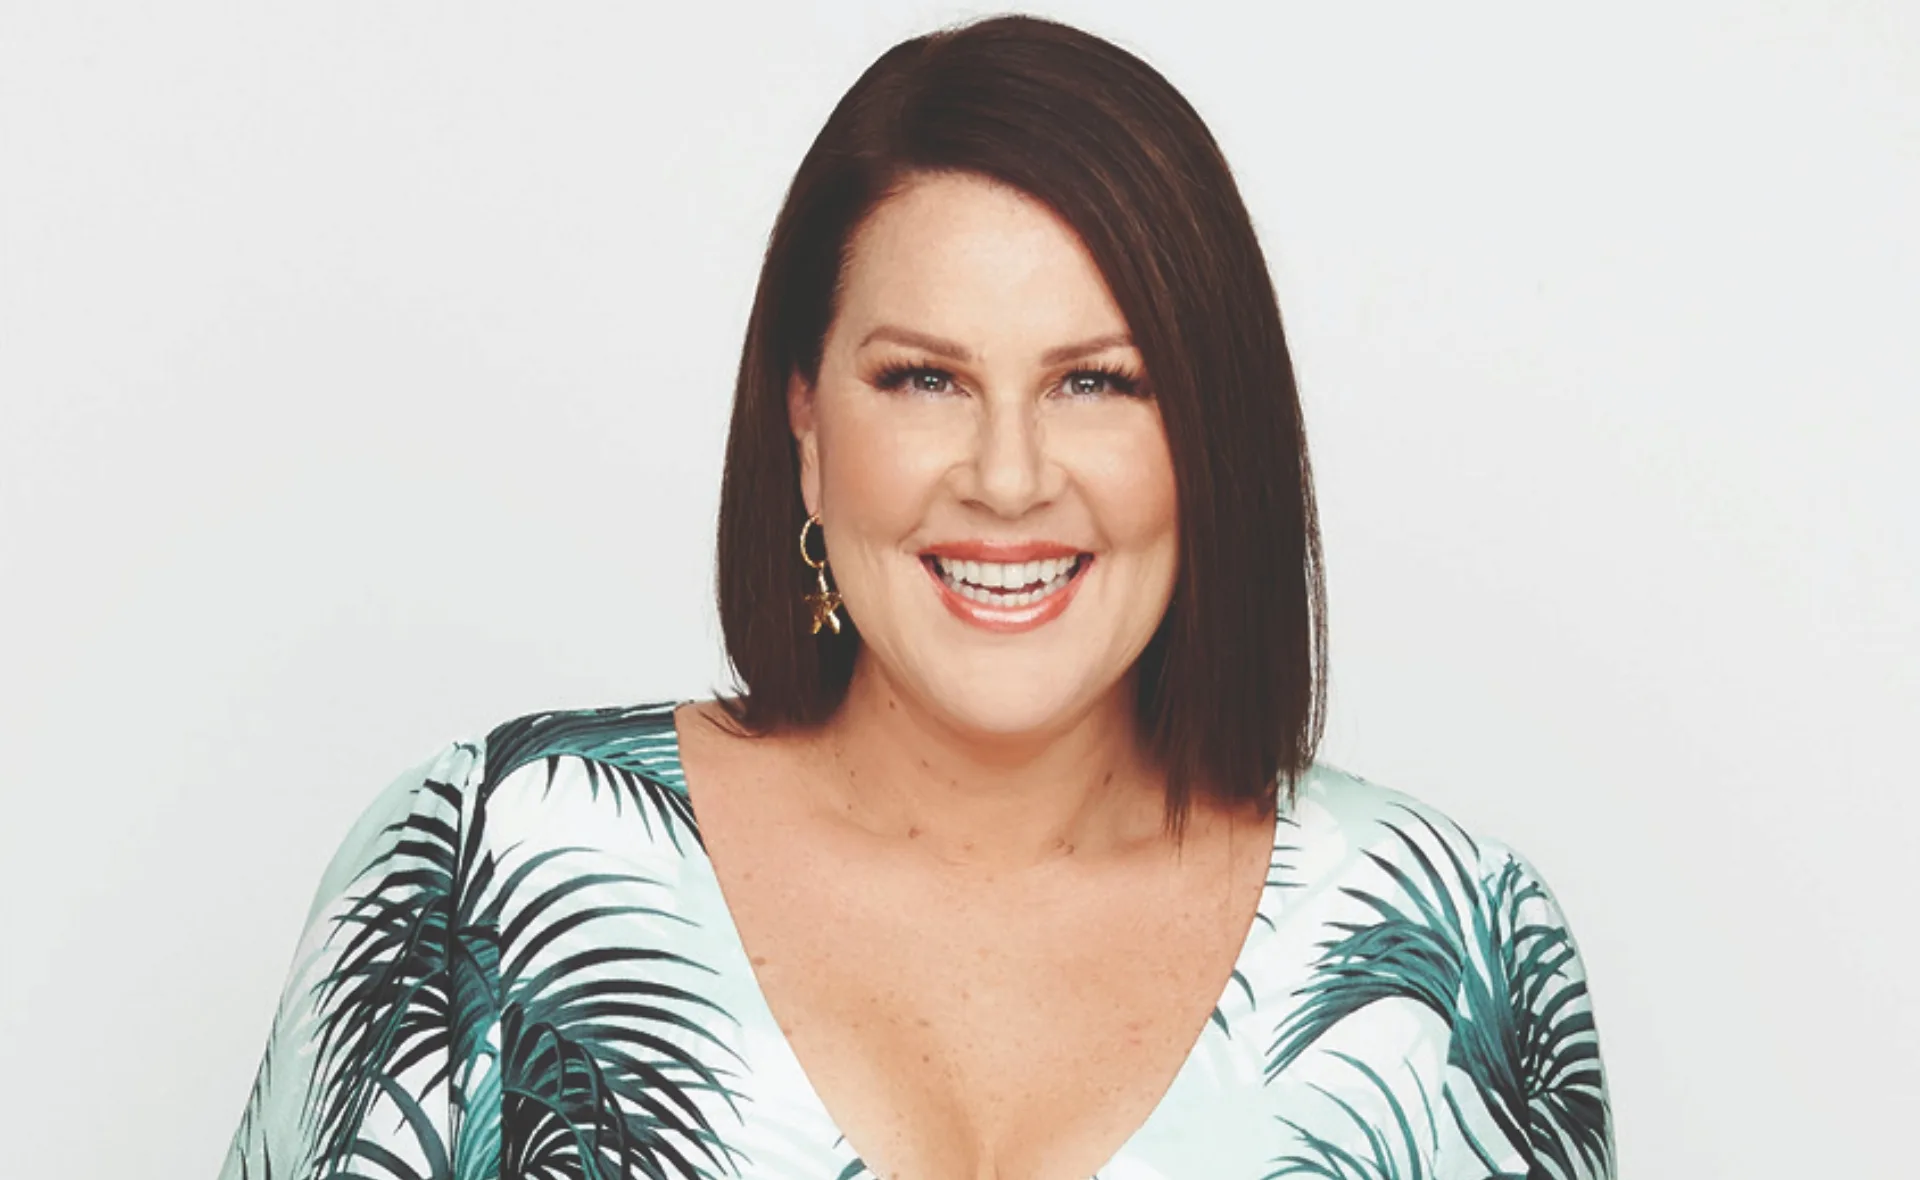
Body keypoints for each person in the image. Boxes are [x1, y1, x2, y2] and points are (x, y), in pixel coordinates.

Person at [221, 15, 1613, 1180]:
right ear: (806, 422)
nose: (1007, 479)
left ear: (1212, 436)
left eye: (1097, 382)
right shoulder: (488, 873)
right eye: (925, 379)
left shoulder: (1454, 959)